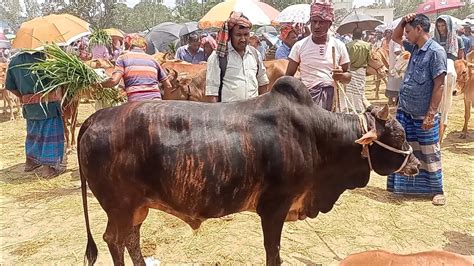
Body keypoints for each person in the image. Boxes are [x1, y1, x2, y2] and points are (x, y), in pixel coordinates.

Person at [389, 13, 447, 206]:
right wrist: (404, 21)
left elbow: (439, 84)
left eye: (408, 31)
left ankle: (437, 191)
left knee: (429, 151)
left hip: (423, 113)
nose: (405, 35)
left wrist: (431, 114)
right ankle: (405, 187)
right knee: (406, 148)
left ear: (419, 29)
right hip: (405, 109)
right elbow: (395, 37)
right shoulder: (414, 47)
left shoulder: (436, 52)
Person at [5, 51, 66, 178]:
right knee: (48, 135)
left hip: (29, 106)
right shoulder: (46, 59)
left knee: (33, 134)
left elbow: (10, 86)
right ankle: (47, 170)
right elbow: (59, 82)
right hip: (48, 106)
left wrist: (23, 96)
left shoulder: (14, 61)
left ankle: (30, 162)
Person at [285, 0, 351, 111]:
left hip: (332, 101)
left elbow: (348, 77)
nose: (316, 26)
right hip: (306, 103)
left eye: (321, 22)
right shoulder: (299, 46)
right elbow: (288, 76)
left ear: (329, 24)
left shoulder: (339, 46)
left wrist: (341, 76)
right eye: (314, 21)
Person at [205, 12, 269, 103]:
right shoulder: (219, 56)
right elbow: (212, 93)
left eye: (246, 35)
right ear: (230, 35)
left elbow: (263, 83)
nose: (243, 39)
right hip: (228, 114)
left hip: (253, 113)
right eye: (238, 35)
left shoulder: (255, 54)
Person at [101, 36, 172, 102]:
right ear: (145, 48)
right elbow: (168, 86)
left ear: (130, 47)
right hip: (156, 101)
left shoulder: (123, 58)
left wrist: (99, 85)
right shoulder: (153, 60)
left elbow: (114, 81)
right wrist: (165, 103)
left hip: (135, 103)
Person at [434, 15, 463, 142]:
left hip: (450, 66)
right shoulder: (434, 39)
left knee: (446, 104)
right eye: (439, 26)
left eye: (443, 25)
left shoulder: (458, 40)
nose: (441, 28)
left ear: (448, 26)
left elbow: (460, 59)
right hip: (437, 66)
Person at [342, 27, 371, 113]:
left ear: (352, 36)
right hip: (361, 71)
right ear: (362, 35)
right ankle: (359, 109)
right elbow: (369, 59)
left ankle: (349, 109)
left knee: (349, 91)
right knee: (359, 91)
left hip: (350, 71)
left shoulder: (347, 45)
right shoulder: (367, 45)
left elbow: (345, 60)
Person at [386, 30, 403, 106]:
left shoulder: (392, 40)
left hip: (393, 65)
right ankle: (395, 101)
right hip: (397, 66)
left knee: (392, 83)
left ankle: (390, 100)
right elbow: (397, 51)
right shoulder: (396, 41)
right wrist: (406, 53)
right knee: (396, 84)